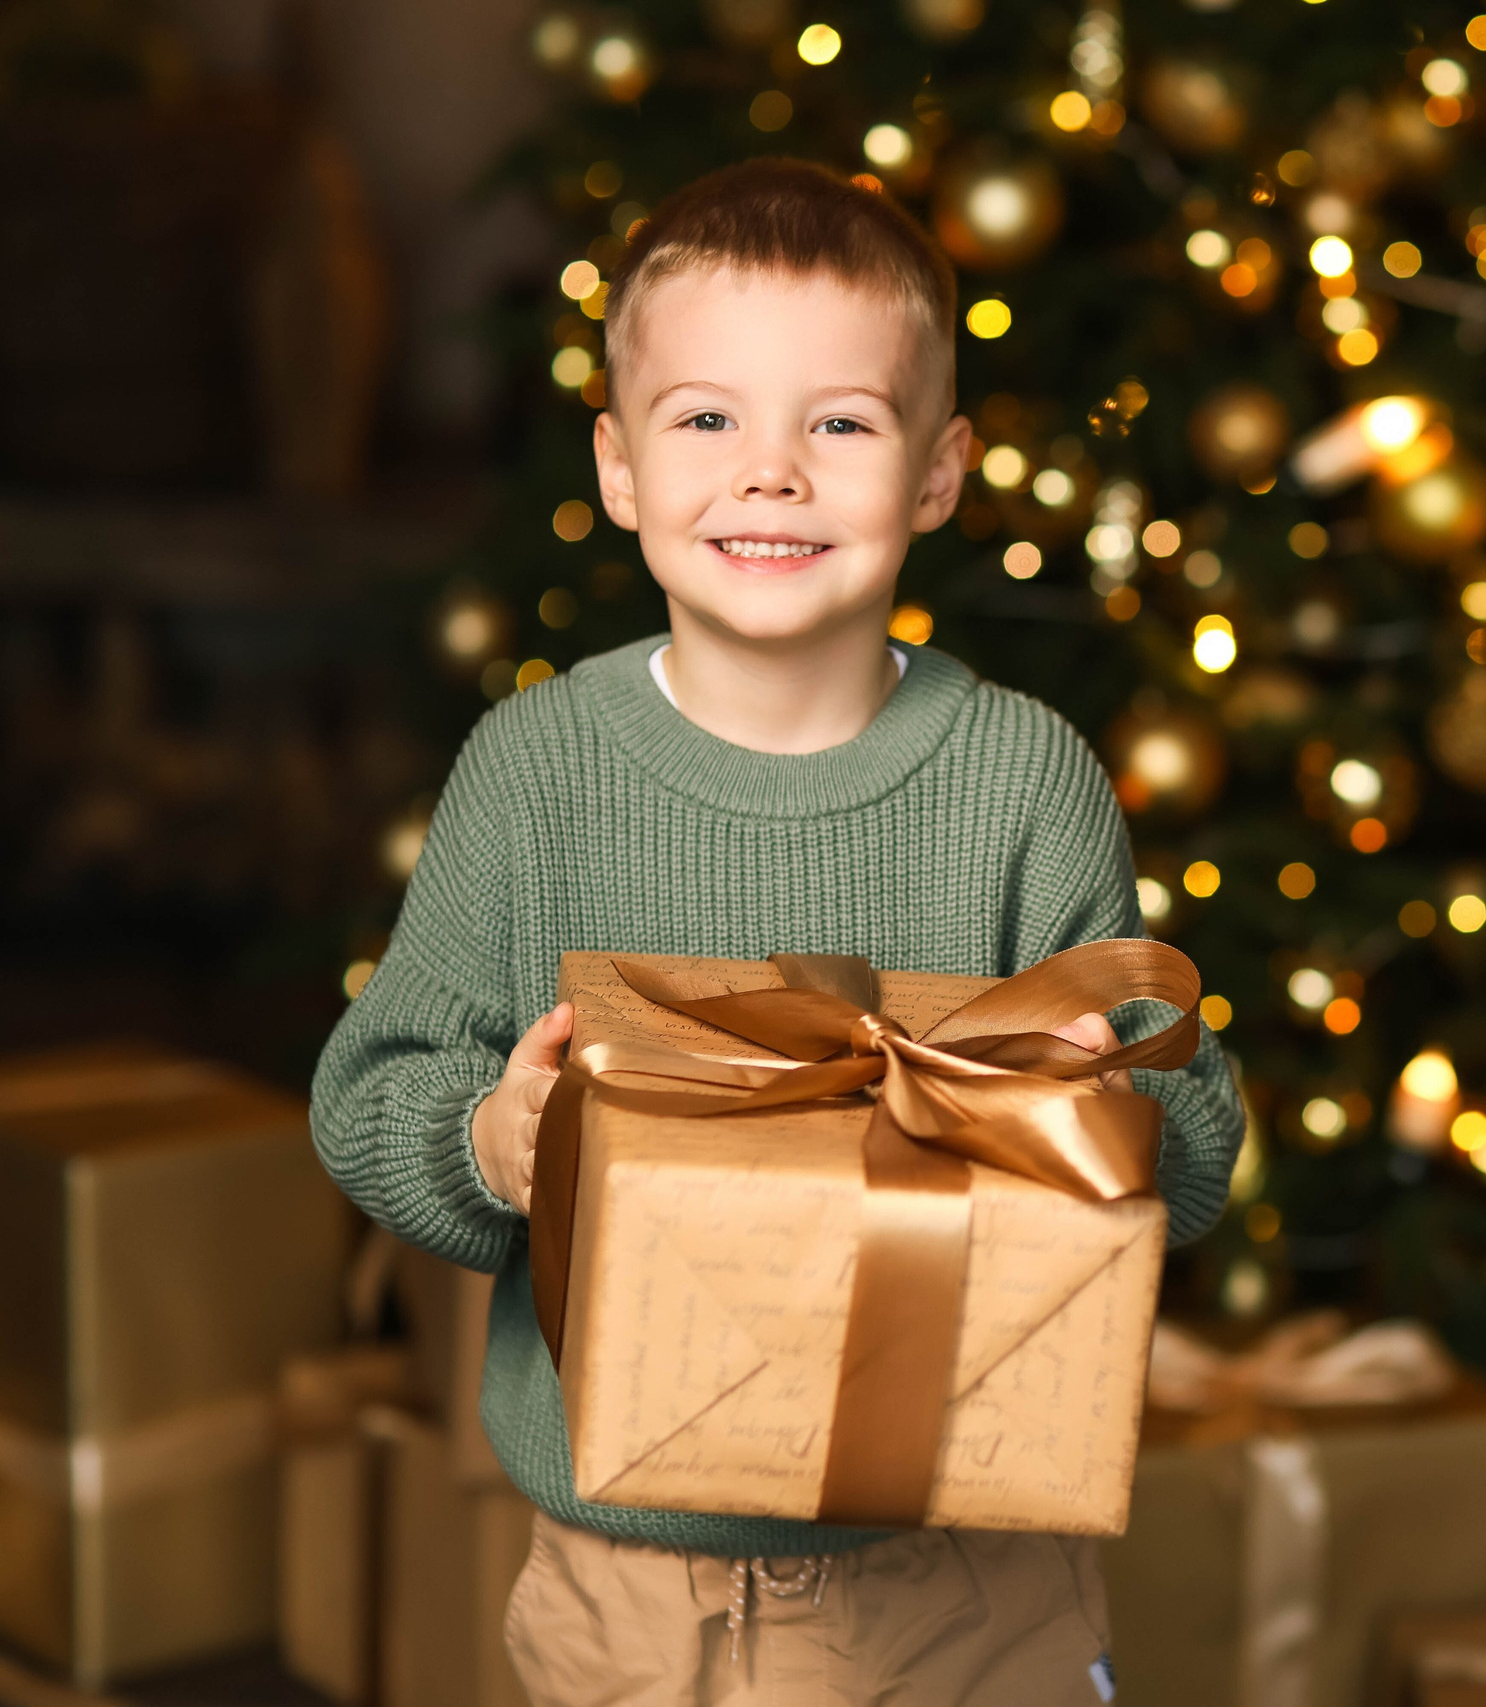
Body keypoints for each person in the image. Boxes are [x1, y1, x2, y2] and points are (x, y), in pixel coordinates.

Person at [311, 157, 1241, 1706]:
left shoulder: (1026, 784)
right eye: (706, 420)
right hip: (632, 1598)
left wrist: (1105, 1116)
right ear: (618, 466)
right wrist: (492, 1143)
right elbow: (369, 1095)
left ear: (938, 474)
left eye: (842, 425)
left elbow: (1193, 1146)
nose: (771, 475)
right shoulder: (536, 774)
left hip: (970, 1586)